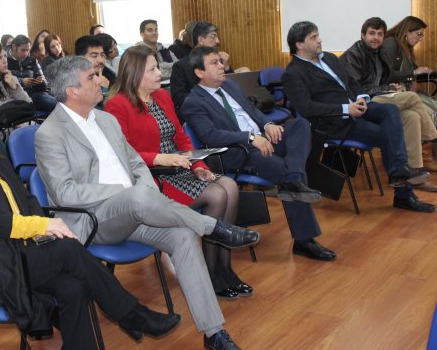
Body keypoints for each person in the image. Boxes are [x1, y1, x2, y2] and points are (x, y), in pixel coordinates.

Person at [35, 56, 259, 350]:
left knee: (182, 236)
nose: (101, 80)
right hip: (94, 220)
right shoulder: (49, 134)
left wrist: (140, 189)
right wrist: (125, 192)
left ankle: (214, 333)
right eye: (91, 77)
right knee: (139, 195)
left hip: (137, 210)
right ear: (72, 92)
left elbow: (136, 164)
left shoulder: (106, 119)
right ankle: (213, 227)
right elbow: (65, 193)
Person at [0, 89, 181, 348]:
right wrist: (44, 224)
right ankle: (133, 315)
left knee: (73, 287)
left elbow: (26, 201)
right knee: (68, 250)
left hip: (13, 253)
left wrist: (43, 227)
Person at [104, 46, 251, 298]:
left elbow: (182, 139)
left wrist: (199, 167)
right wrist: (161, 158)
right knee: (217, 196)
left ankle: (223, 268)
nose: (159, 72)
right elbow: (123, 155)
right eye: (152, 69)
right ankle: (209, 273)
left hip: (180, 168)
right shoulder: (117, 105)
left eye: (157, 66)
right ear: (135, 74)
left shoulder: (162, 96)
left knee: (229, 186)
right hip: (153, 178)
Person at [182, 46, 334, 260]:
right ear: (199, 72)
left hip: (263, 137)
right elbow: (212, 136)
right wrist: (250, 138)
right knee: (285, 170)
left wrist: (269, 123)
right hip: (240, 151)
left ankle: (294, 180)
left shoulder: (230, 85)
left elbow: (253, 111)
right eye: (214, 63)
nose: (221, 66)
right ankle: (304, 240)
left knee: (300, 125)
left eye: (220, 60)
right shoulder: (193, 102)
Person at [282, 21, 434, 213]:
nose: (320, 40)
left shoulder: (328, 58)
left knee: (390, 111)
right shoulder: (293, 73)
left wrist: (362, 98)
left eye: (318, 35)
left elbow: (352, 82)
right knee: (387, 133)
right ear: (299, 45)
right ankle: (403, 193)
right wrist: (346, 108)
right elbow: (307, 108)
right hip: (334, 122)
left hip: (356, 108)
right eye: (314, 37)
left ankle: (398, 174)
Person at [340, 17, 437, 187]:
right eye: (371, 33)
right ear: (362, 35)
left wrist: (390, 86)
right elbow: (356, 89)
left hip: (378, 96)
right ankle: (433, 137)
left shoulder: (380, 53)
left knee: (412, 116)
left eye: (379, 34)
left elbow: (387, 77)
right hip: (362, 101)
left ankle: (414, 174)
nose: (376, 37)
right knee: (413, 97)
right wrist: (385, 89)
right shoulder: (354, 54)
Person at [171, 21, 221, 112]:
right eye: (213, 37)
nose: (218, 41)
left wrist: (227, 68)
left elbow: (232, 88)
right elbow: (178, 98)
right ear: (201, 40)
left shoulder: (219, 61)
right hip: (200, 111)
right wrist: (207, 98)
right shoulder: (181, 66)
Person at [7, 34, 57, 112]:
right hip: (18, 97)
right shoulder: (4, 61)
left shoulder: (32, 60)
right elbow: (3, 84)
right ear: (14, 47)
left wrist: (40, 82)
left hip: (37, 93)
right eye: (23, 50)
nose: (26, 54)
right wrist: (21, 82)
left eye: (28, 50)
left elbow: (45, 85)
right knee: (55, 103)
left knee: (60, 98)